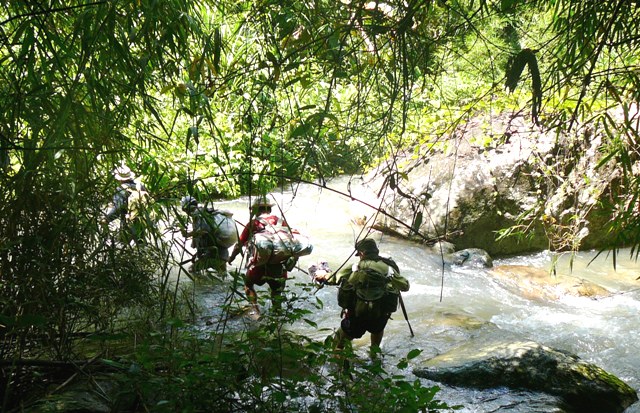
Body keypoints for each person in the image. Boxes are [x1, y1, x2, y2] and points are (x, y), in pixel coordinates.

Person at [314, 238, 409, 357]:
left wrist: (322, 275)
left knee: (337, 345)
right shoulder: (388, 268)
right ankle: (373, 357)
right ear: (376, 251)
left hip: (356, 316)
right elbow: (405, 286)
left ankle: (336, 366)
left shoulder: (355, 267)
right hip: (379, 316)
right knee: (377, 330)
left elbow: (333, 279)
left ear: (362, 253)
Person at [228, 196, 290, 314]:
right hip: (279, 265)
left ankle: (255, 312)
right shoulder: (281, 222)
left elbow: (239, 245)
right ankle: (277, 317)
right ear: (269, 209)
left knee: (248, 284)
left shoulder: (253, 223)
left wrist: (232, 257)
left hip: (259, 266)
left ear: (255, 210)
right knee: (276, 292)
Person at [180, 196, 230, 274]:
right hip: (222, 254)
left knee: (192, 270)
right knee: (223, 276)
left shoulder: (198, 215)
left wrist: (187, 234)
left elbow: (204, 231)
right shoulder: (206, 212)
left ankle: (200, 285)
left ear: (186, 209)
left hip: (213, 255)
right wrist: (197, 254)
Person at [104, 163, 150, 244]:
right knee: (141, 244)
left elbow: (118, 208)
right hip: (143, 220)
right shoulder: (140, 186)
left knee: (123, 245)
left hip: (128, 222)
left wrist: (107, 219)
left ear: (119, 179)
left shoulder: (120, 189)